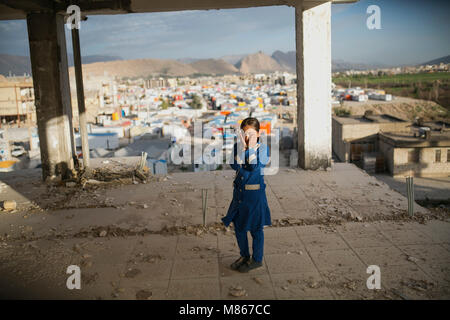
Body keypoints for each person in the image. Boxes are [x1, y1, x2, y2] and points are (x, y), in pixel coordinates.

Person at [221, 117, 271, 273]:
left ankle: (257, 259)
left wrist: (248, 149)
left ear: (258, 132)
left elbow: (254, 166)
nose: (247, 136)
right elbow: (234, 165)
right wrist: (242, 149)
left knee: (256, 229)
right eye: (244, 132)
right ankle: (244, 255)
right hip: (239, 194)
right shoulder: (238, 146)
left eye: (250, 132)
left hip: (254, 196)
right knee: (239, 227)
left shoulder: (262, 149)